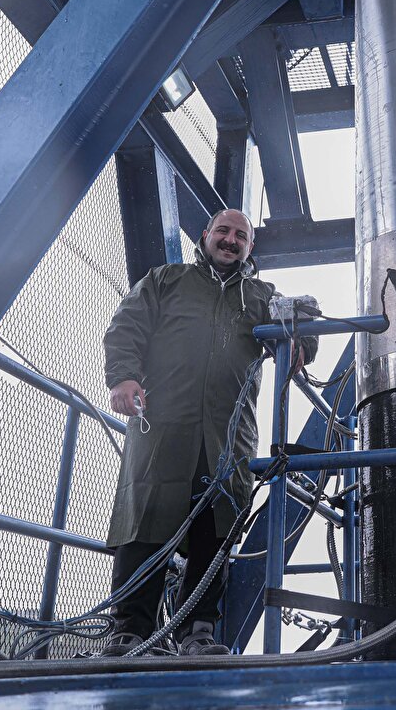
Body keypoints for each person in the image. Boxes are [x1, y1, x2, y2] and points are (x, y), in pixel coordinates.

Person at [101, 209, 316, 656]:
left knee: (214, 533)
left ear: (250, 247)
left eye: (241, 235)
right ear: (205, 235)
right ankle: (130, 632)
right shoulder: (166, 280)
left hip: (227, 437)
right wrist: (123, 376)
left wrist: (301, 343)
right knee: (145, 524)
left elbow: (304, 319)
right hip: (162, 426)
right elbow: (126, 326)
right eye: (223, 231)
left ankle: (197, 633)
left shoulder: (262, 296)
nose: (230, 240)